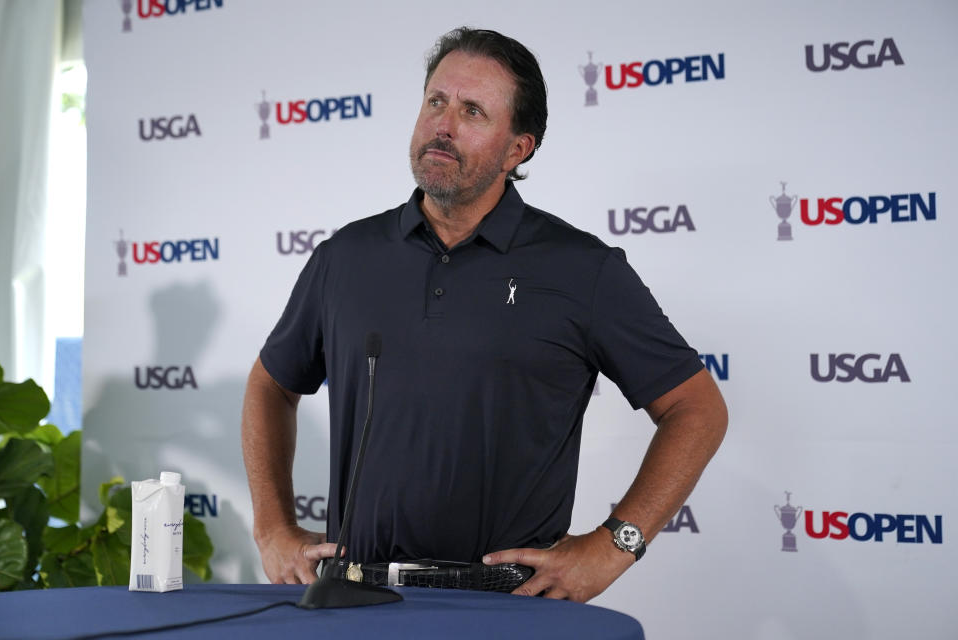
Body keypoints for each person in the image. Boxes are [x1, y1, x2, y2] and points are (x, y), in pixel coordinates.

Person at [241, 27, 727, 603]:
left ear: (517, 148)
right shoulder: (344, 258)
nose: (443, 125)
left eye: (472, 111)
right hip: (353, 599)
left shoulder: (582, 269)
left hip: (506, 607)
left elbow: (696, 408)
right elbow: (271, 386)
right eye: (435, 102)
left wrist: (613, 546)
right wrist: (272, 527)